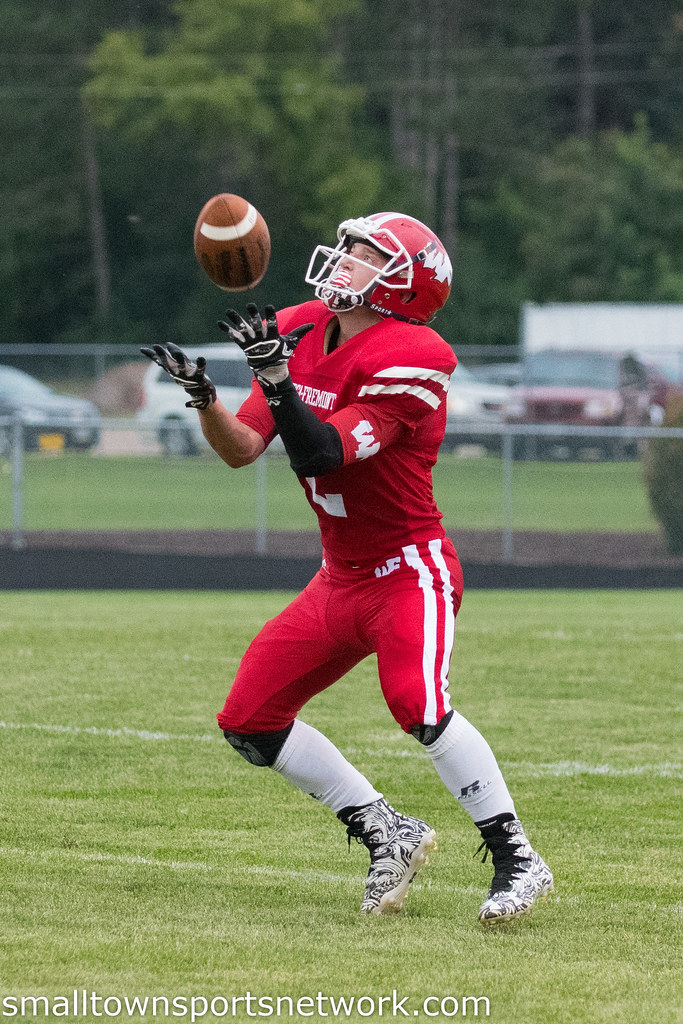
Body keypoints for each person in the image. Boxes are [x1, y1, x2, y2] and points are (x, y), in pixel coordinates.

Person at [142, 211, 553, 924]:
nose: (343, 261)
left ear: (402, 284)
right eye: (348, 249)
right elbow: (243, 448)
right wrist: (205, 398)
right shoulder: (302, 327)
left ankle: (518, 857)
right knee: (250, 721)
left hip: (408, 568)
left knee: (418, 706)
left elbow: (321, 453)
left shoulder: (415, 356)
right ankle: (386, 832)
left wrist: (276, 378)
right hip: (340, 575)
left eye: (364, 254)